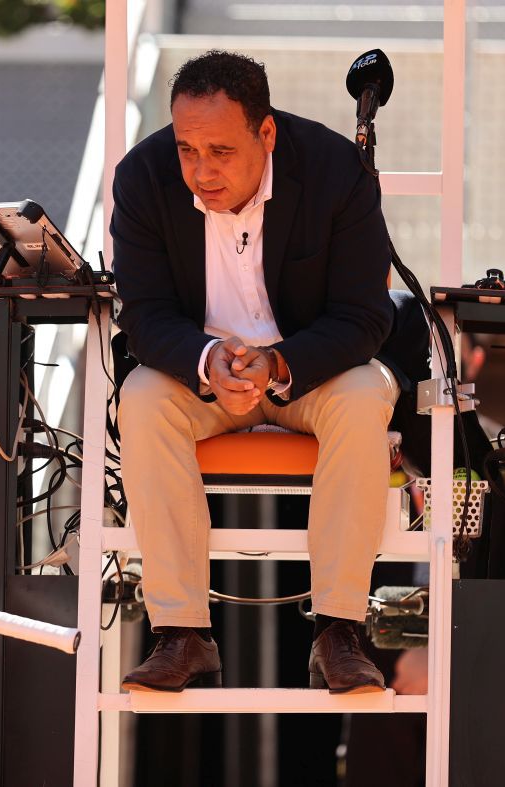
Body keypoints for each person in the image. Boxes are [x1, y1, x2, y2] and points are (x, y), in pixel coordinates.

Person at [113, 50, 399, 693]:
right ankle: (180, 632)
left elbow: (365, 316)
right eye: (187, 148)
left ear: (266, 133)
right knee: (140, 396)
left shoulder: (335, 170)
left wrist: (277, 363)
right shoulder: (142, 178)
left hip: (310, 373)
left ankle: (339, 631)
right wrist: (207, 361)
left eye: (220, 150)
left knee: (362, 397)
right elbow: (144, 313)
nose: (200, 170)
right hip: (201, 380)